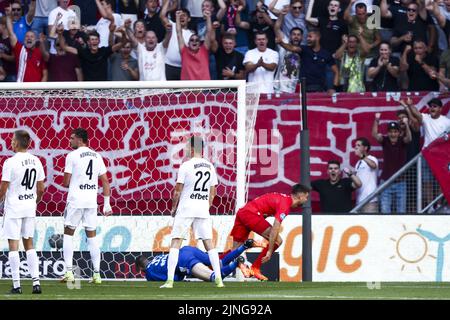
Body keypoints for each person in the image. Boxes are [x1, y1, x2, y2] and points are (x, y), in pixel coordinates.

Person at [161, 136, 223, 289]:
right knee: (209, 243)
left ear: (192, 148)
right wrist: (206, 206)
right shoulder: (210, 166)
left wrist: (173, 208)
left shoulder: (186, 165)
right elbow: (213, 192)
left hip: (186, 208)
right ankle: (219, 280)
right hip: (202, 208)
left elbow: (177, 191)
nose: (186, 149)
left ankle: (169, 281)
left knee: (176, 241)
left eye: (187, 146)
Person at [61, 128, 112, 285]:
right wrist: (106, 204)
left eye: (72, 138)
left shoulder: (72, 156)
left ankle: (69, 273)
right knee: (92, 236)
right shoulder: (97, 156)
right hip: (91, 201)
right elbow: (105, 180)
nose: (69, 141)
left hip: (76, 201)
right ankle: (97, 275)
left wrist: (70, 178)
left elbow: (66, 182)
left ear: (80, 140)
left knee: (68, 233)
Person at [229, 183, 310, 280]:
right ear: (300, 196)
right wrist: (270, 251)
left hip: (243, 212)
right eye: (306, 197)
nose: (306, 200)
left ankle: (216, 267)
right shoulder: (285, 205)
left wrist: (264, 215)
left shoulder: (283, 199)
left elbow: (265, 205)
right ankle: (255, 267)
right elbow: (275, 228)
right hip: (251, 214)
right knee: (278, 240)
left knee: (235, 249)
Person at [0, 130, 45, 294]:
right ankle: (36, 284)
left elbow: (3, 188)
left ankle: (17, 286)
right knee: (29, 244)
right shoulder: (36, 161)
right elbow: (42, 188)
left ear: (17, 143)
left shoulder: (10, 162)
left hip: (14, 208)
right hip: (29, 207)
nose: (11, 142)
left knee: (13, 245)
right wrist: (34, 202)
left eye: (12, 140)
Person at [136, 239, 260, 282]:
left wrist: (182, 276)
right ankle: (245, 246)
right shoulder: (157, 258)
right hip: (186, 249)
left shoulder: (149, 272)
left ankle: (236, 263)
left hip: (183, 260)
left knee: (213, 277)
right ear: (147, 259)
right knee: (219, 262)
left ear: (141, 268)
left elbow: (171, 279)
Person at [372, 114, 412, 213]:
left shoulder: (402, 141)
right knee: (385, 211)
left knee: (401, 211)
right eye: (390, 132)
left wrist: (406, 124)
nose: (393, 134)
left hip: (401, 182)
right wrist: (376, 120)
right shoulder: (385, 140)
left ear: (399, 133)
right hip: (386, 181)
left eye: (395, 132)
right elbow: (374, 134)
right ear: (388, 133)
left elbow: (409, 139)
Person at [6, 6, 48, 82]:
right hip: (21, 90)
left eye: (32, 37)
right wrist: (9, 16)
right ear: (24, 39)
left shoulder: (39, 52)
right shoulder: (19, 49)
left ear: (35, 40)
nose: (29, 38)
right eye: (27, 36)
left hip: (36, 91)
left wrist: (40, 91)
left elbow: (45, 74)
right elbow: (11, 33)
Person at [177, 9, 215, 80]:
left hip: (203, 88)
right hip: (188, 89)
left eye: (197, 40)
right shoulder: (184, 52)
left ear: (200, 43)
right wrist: (177, 17)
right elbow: (179, 33)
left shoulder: (204, 51)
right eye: (192, 40)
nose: (194, 42)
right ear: (188, 43)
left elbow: (209, 32)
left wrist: (208, 18)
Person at [354, 137, 379, 213]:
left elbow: (373, 165)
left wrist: (362, 156)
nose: (356, 147)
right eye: (355, 145)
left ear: (365, 148)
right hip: (359, 201)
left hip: (370, 200)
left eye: (358, 145)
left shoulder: (372, 158)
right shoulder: (358, 163)